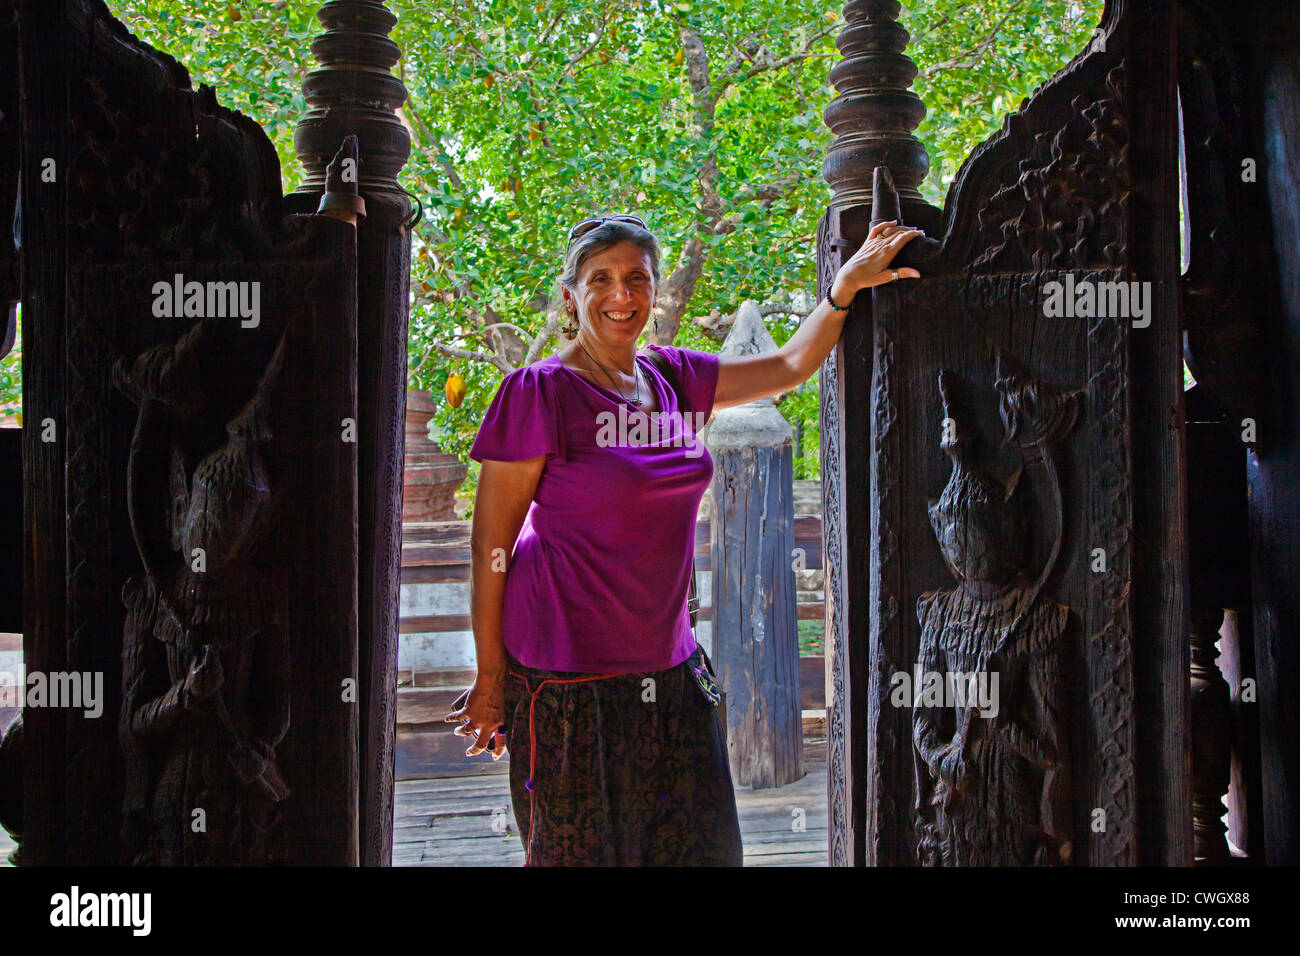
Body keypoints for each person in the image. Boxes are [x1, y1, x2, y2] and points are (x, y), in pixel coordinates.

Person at [445, 213, 922, 866]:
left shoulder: (673, 380)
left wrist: (843, 286)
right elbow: (490, 548)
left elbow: (786, 365)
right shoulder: (540, 394)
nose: (621, 295)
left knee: (705, 854)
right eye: (600, 280)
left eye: (637, 278)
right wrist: (491, 678)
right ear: (570, 296)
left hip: (672, 672)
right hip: (566, 685)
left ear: (655, 288)